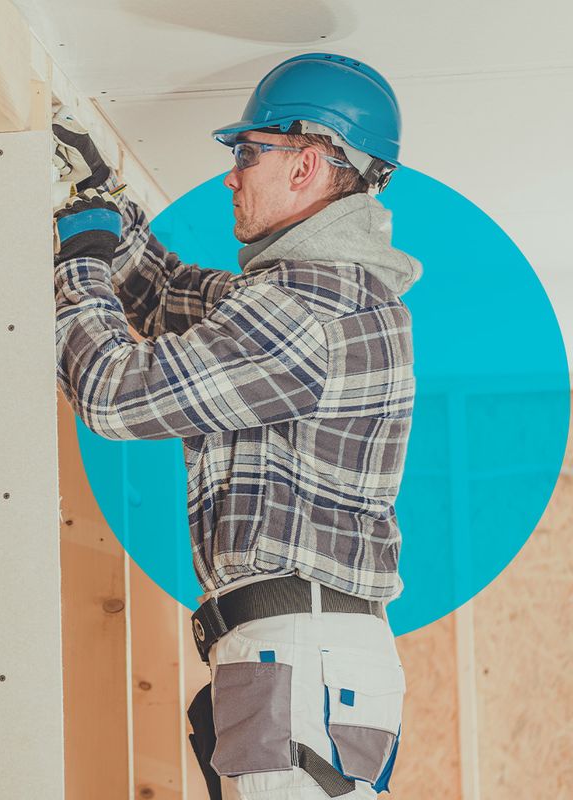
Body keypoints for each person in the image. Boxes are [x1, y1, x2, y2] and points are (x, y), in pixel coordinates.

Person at [52, 52, 421, 799]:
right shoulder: (312, 297)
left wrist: (78, 260)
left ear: (307, 166)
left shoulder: (310, 310)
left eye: (249, 154)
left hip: (298, 654)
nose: (232, 174)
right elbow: (168, 295)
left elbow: (113, 394)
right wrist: (100, 201)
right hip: (301, 656)